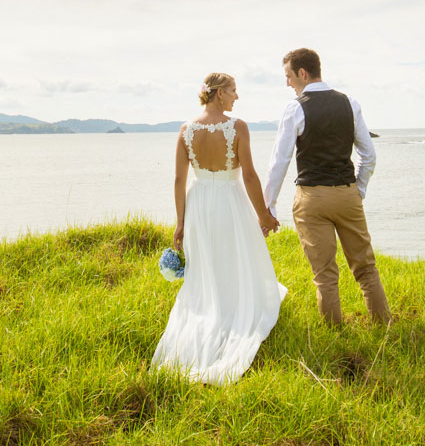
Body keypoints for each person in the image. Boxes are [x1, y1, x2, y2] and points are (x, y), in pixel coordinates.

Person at [151, 73, 287, 384]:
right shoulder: (237, 127)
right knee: (234, 256)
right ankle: (233, 312)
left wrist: (181, 222)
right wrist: (264, 215)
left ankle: (213, 310)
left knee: (208, 261)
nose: (237, 97)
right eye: (234, 91)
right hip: (229, 199)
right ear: (219, 94)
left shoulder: (186, 130)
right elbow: (250, 176)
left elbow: (178, 181)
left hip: (199, 202)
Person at [262, 48, 390, 325]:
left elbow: (279, 162)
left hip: (312, 199)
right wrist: (359, 189)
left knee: (325, 273)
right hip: (347, 194)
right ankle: (384, 325)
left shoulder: (295, 108)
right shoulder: (350, 103)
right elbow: (368, 155)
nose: (287, 83)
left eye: (288, 76)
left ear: (302, 73)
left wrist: (268, 206)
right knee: (366, 267)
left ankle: (334, 334)